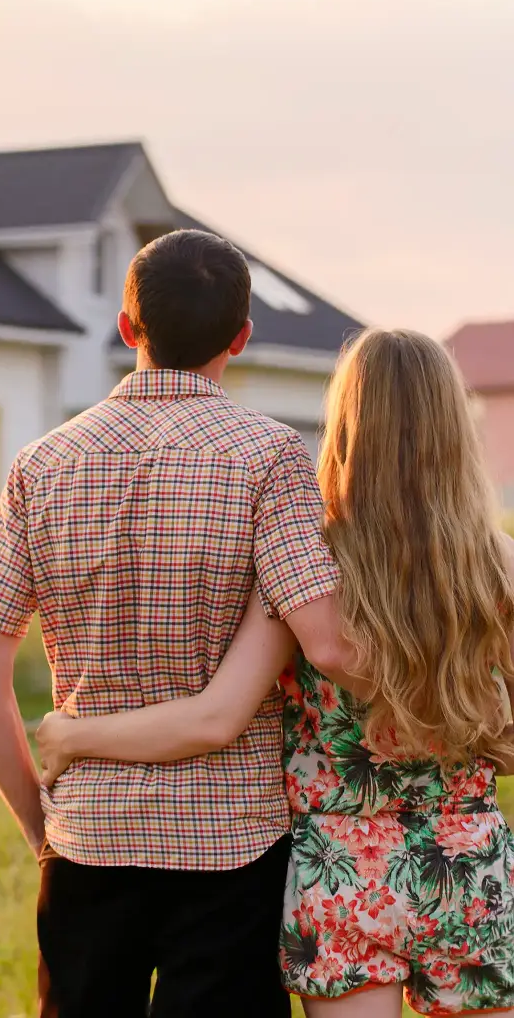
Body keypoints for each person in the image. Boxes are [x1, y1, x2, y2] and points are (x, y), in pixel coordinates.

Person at [37, 328, 514, 1018]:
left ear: (346, 423)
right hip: (468, 862)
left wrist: (75, 736)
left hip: (342, 869)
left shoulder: (302, 571)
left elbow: (214, 717)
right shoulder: (498, 567)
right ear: (454, 428)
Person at [0, 229, 360, 1018]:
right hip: (232, 843)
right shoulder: (271, 458)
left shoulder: (42, 464)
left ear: (127, 327)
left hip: (86, 837)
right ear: (242, 337)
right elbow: (330, 642)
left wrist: (43, 825)